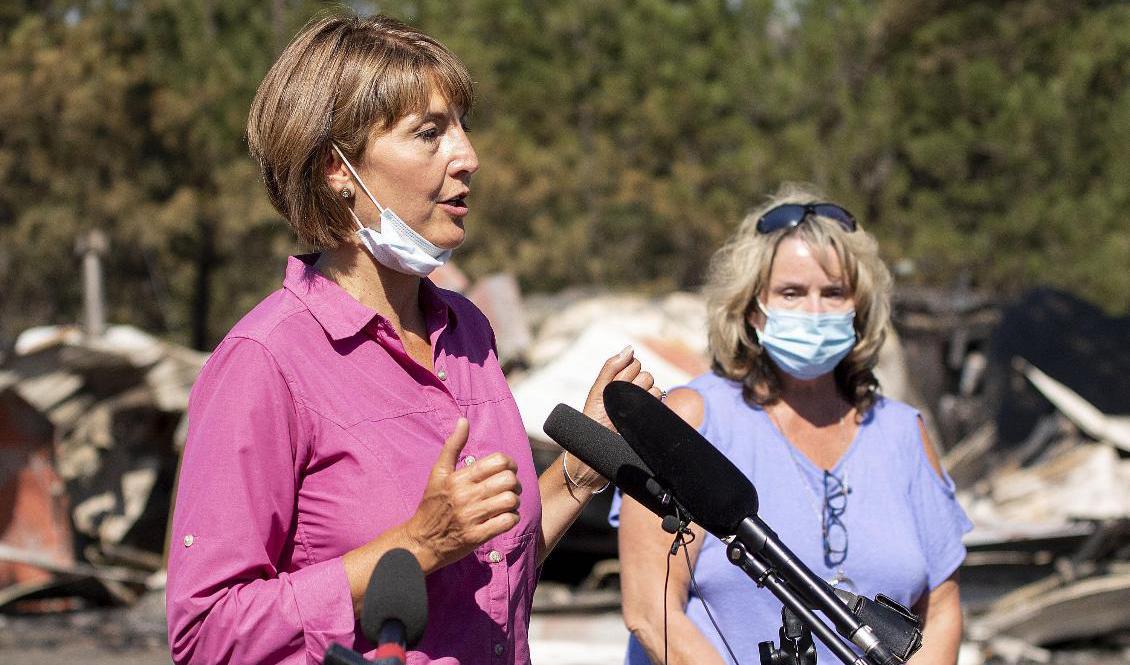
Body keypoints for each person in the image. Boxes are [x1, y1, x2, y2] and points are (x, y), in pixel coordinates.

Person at [165, 13, 659, 665]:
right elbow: (205, 635)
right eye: (430, 133)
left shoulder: (468, 332)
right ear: (335, 168)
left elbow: (489, 577)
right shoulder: (265, 360)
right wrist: (417, 544)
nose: (468, 156)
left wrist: (580, 472)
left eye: (462, 126)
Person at [613, 183, 972, 665]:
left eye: (834, 293)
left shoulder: (903, 434)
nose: (815, 311)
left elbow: (943, 610)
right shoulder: (694, 418)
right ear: (751, 308)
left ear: (859, 308)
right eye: (792, 293)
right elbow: (650, 610)